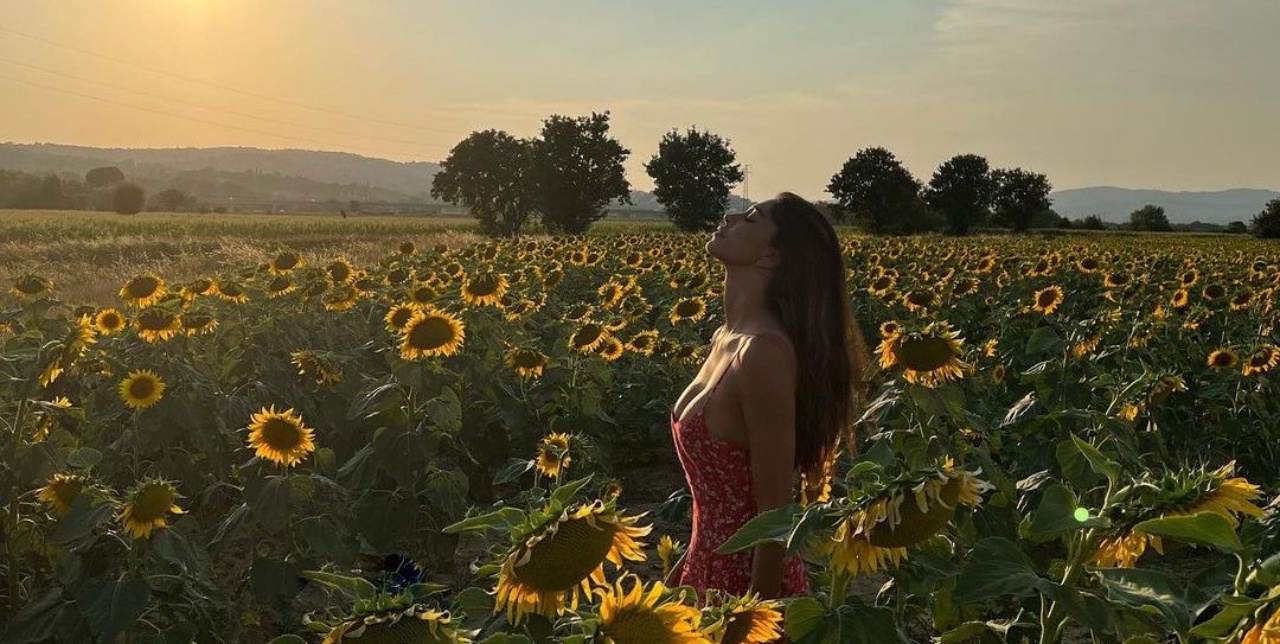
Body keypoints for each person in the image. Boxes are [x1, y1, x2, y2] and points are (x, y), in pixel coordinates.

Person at [667, 191, 870, 601]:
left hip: (745, 590)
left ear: (771, 257)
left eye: (751, 218)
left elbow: (775, 515)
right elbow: (713, 509)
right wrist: (677, 579)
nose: (729, 216)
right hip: (703, 573)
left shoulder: (763, 353)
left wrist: (752, 619)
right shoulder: (726, 338)